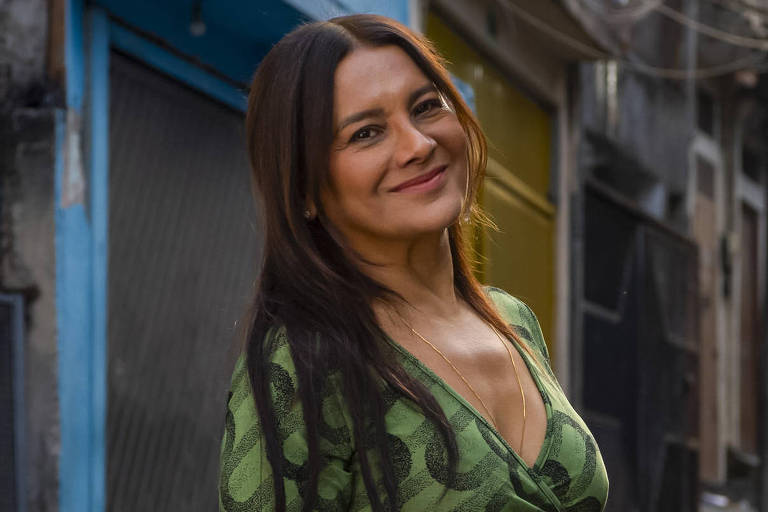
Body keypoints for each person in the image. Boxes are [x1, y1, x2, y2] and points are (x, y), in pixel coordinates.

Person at [218, 14, 608, 512]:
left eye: (426, 107)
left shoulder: (514, 323)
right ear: (304, 189)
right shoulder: (302, 363)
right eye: (366, 133)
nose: (419, 145)